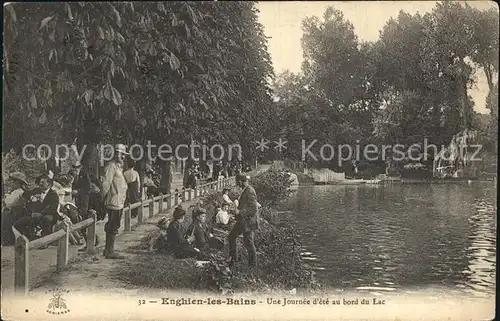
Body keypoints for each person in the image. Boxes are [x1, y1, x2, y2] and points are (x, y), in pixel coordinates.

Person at [101, 144, 129, 259]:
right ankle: (109, 251)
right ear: (115, 154)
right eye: (121, 154)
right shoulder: (111, 167)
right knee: (113, 225)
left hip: (119, 201)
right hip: (113, 201)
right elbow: (105, 184)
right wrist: (103, 199)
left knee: (115, 224)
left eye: (123, 154)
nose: (122, 156)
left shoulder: (118, 167)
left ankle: (108, 249)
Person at [14, 173, 61, 243]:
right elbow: (25, 194)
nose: (40, 184)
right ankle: (30, 238)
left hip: (49, 215)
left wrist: (40, 213)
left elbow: (53, 209)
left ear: (49, 184)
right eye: (40, 182)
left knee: (46, 219)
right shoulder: (37, 190)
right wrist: (32, 197)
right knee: (17, 224)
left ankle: (45, 241)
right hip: (34, 215)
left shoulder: (53, 194)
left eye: (43, 182)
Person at [228, 174, 260, 267]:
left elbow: (253, 209)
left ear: (240, 181)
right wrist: (236, 213)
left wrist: (239, 212)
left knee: (249, 243)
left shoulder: (249, 191)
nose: (237, 184)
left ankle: (252, 266)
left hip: (248, 222)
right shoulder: (246, 190)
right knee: (231, 237)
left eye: (237, 182)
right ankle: (233, 260)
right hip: (243, 221)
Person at [1, 172, 29, 245]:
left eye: (13, 182)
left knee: (5, 215)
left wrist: (4, 200)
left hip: (15, 212)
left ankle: (6, 239)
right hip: (11, 210)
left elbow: (9, 203)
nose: (11, 183)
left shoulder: (19, 192)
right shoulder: (14, 191)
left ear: (18, 183)